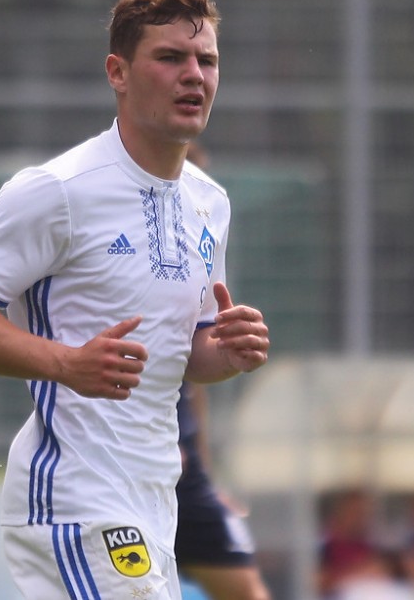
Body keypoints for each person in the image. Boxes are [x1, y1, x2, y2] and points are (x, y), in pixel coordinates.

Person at [0, 0, 270, 600]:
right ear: (118, 72)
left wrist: (228, 351)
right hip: (74, 498)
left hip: (154, 499)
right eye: (170, 57)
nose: (194, 76)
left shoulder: (209, 203)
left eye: (207, 60)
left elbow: (187, 354)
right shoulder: (57, 190)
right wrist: (67, 363)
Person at [174, 142, 271, 600]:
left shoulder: (203, 230)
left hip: (185, 474)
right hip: (125, 464)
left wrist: (232, 351)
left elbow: (192, 375)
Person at [317, 486, 392, 599]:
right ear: (340, 512)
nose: (360, 518)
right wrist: (356, 573)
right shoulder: (323, 544)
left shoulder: (370, 546)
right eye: (355, 511)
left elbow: (384, 573)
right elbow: (316, 582)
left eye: (364, 512)